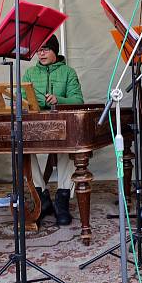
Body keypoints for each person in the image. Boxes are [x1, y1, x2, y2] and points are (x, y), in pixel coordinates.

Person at [21, 34, 84, 226]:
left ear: (55, 51)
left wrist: (59, 100)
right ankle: (41, 196)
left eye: (46, 49)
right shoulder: (30, 73)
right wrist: (32, 102)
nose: (41, 53)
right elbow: (20, 98)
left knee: (68, 147)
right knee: (21, 149)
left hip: (61, 125)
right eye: (39, 50)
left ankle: (62, 199)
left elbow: (78, 100)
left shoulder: (68, 72)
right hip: (34, 125)